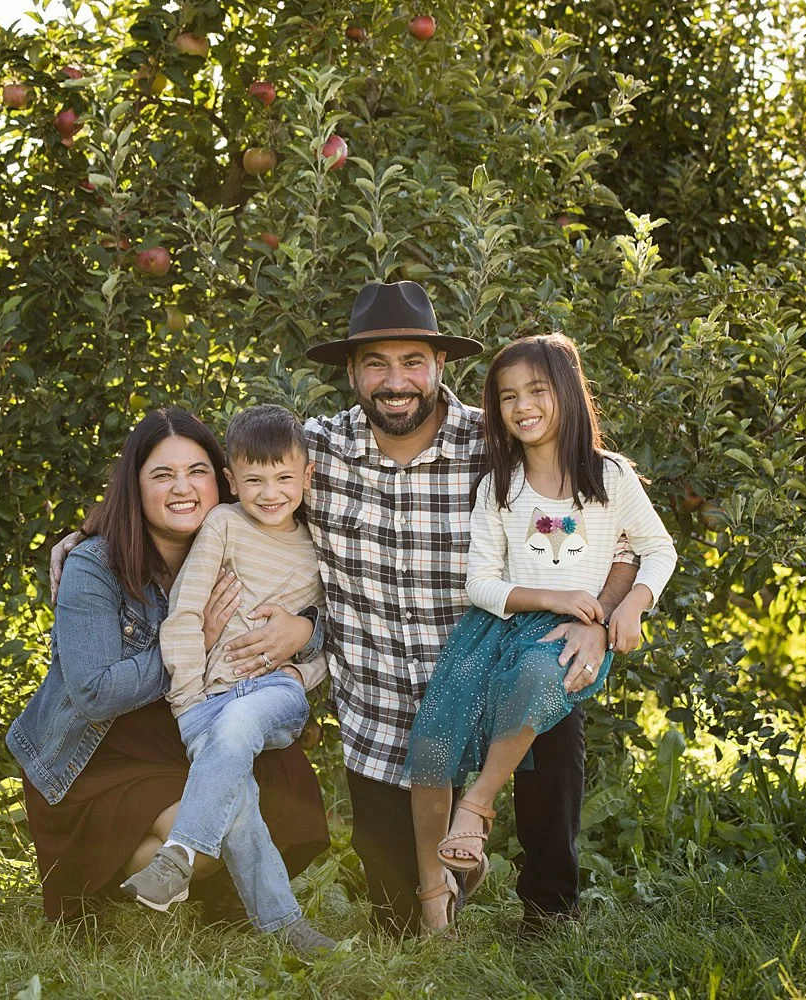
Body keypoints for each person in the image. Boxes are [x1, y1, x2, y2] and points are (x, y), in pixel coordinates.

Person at [49, 282, 639, 936]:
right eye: (376, 364)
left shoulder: (495, 445)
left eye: (413, 361)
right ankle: (442, 882)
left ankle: (551, 908)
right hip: (381, 711)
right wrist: (96, 535)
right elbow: (213, 484)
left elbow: (614, 532)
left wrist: (600, 619)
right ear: (352, 373)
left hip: (480, 674)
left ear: (440, 366)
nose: (396, 381)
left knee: (549, 692)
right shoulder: (314, 456)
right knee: (396, 925)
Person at [5, 409, 329, 930]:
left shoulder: (247, 537)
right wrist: (192, 643)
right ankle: (115, 878)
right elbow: (93, 694)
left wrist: (305, 631)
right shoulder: (95, 564)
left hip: (183, 731)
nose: (183, 487)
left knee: (282, 781)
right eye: (162, 474)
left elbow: (333, 615)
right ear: (135, 486)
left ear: (221, 480)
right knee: (206, 836)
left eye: (197, 471)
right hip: (102, 753)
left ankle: (220, 898)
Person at [403, 333, 678, 932]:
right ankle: (438, 903)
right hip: (495, 628)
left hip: (568, 636)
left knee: (537, 679)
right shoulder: (499, 486)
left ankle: (476, 810)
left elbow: (658, 549)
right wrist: (552, 597)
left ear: (568, 395)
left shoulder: (609, 478)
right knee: (432, 741)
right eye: (507, 397)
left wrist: (629, 607)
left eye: (536, 390)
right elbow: (480, 583)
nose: (522, 406)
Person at [119, 404, 336, 954]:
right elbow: (185, 613)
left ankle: (181, 854)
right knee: (240, 810)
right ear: (231, 480)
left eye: (285, 478)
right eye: (255, 480)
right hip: (208, 702)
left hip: (275, 694)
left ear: (307, 477)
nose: (271, 493)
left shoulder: (318, 549)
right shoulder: (223, 525)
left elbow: (329, 640)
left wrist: (299, 670)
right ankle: (289, 930)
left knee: (241, 720)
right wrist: (188, 703)